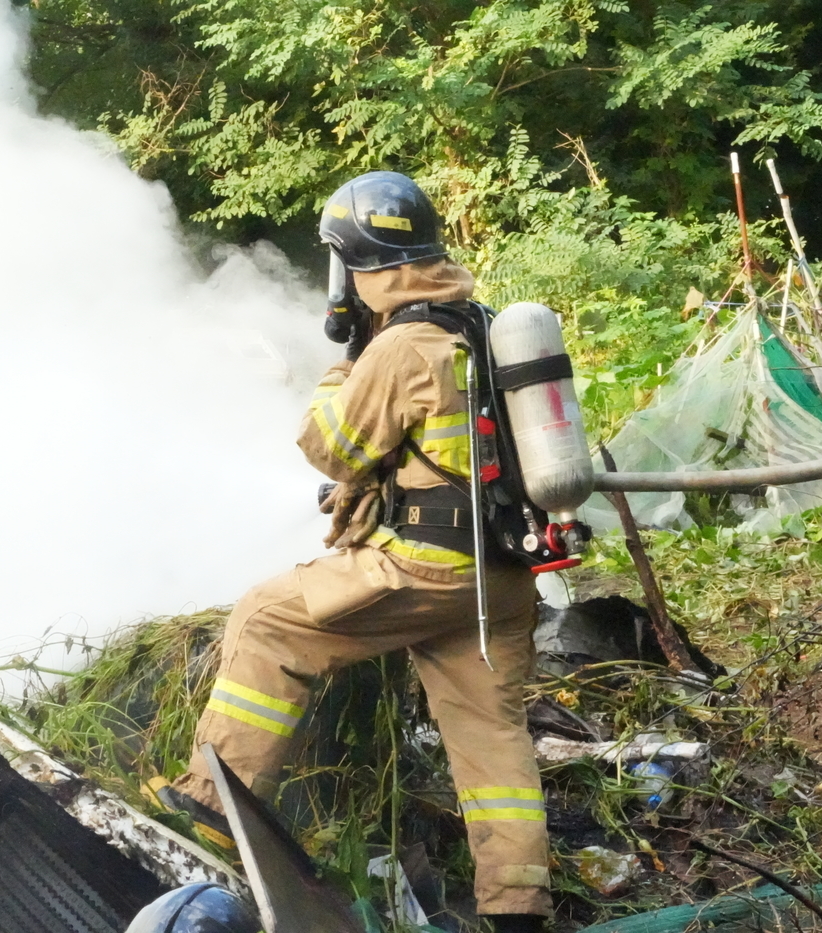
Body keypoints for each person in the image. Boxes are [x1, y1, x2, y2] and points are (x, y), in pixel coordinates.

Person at [147, 171, 551, 932]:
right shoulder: (480, 325)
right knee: (492, 740)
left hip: (427, 570)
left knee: (266, 619)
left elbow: (329, 447)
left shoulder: (402, 346)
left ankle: (211, 803)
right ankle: (517, 905)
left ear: (359, 262)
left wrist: (340, 370)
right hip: (499, 577)